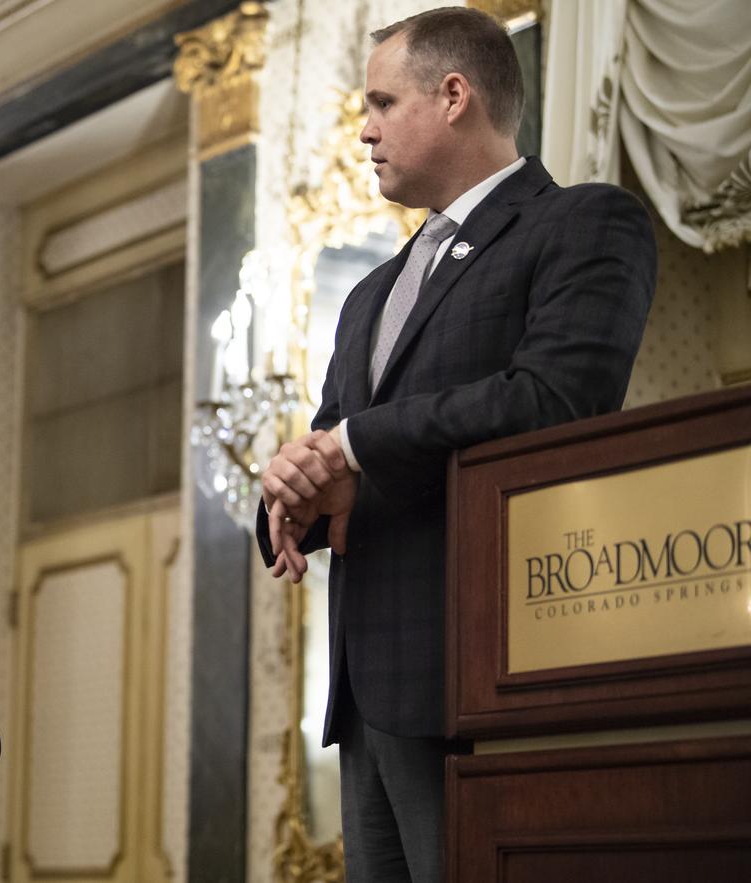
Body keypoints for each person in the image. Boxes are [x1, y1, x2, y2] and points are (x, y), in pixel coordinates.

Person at [257, 8, 656, 882]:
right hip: (364, 699)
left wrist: (351, 446)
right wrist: (291, 490)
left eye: (379, 101)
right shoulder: (370, 292)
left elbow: (554, 401)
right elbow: (333, 444)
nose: (362, 130)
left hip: (487, 674)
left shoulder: (583, 224)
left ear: (453, 96)